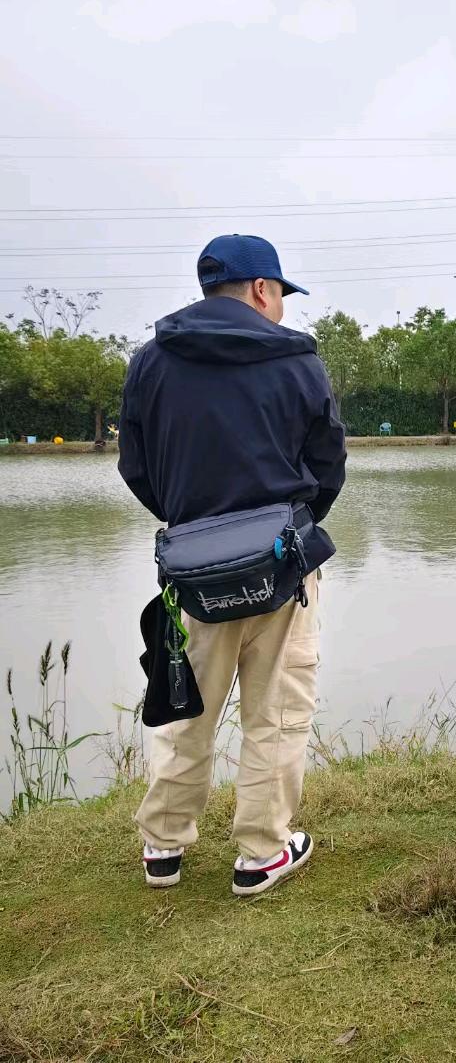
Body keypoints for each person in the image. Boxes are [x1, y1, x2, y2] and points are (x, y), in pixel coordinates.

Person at [119, 234, 347, 896]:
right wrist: (293, 530)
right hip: (282, 570)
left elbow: (135, 466)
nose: (279, 307)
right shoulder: (298, 361)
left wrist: (191, 525)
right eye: (279, 293)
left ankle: (163, 846)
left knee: (184, 707)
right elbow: (327, 466)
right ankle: (260, 853)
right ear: (259, 289)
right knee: (276, 713)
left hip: (191, 573)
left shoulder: (150, 362)